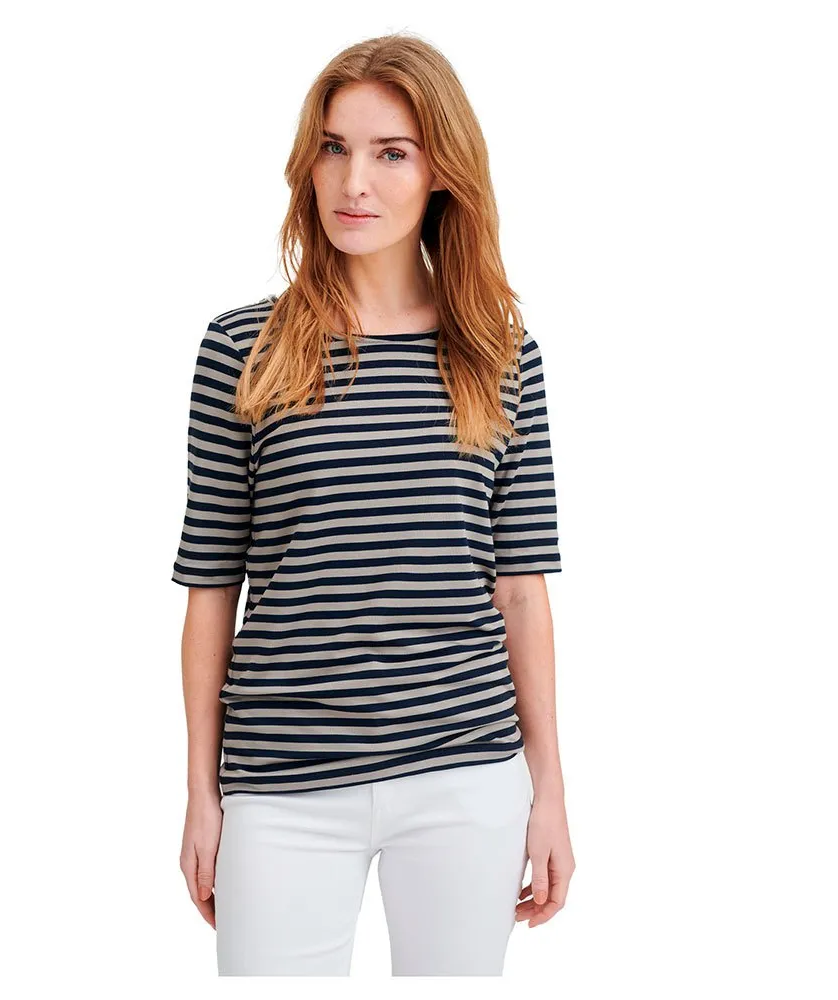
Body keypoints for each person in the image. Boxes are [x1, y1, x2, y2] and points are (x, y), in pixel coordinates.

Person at [172, 32, 575, 976]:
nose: (353, 181)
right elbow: (210, 588)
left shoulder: (500, 356)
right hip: (283, 779)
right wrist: (200, 792)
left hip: (465, 771)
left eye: (391, 152)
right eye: (333, 147)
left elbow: (521, 589)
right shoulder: (242, 349)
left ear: (442, 172)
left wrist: (550, 788)